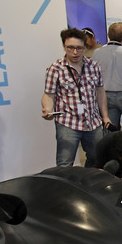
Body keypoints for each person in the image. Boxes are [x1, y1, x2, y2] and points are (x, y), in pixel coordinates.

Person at [41, 28, 110, 167]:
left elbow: (100, 92)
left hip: (93, 122)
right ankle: (65, 188)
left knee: (97, 159)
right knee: (65, 164)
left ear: (85, 47)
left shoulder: (94, 66)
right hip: (68, 122)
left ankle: (88, 184)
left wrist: (105, 117)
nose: (75, 52)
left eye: (79, 48)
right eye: (70, 48)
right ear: (64, 47)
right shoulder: (55, 69)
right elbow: (49, 94)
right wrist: (47, 109)